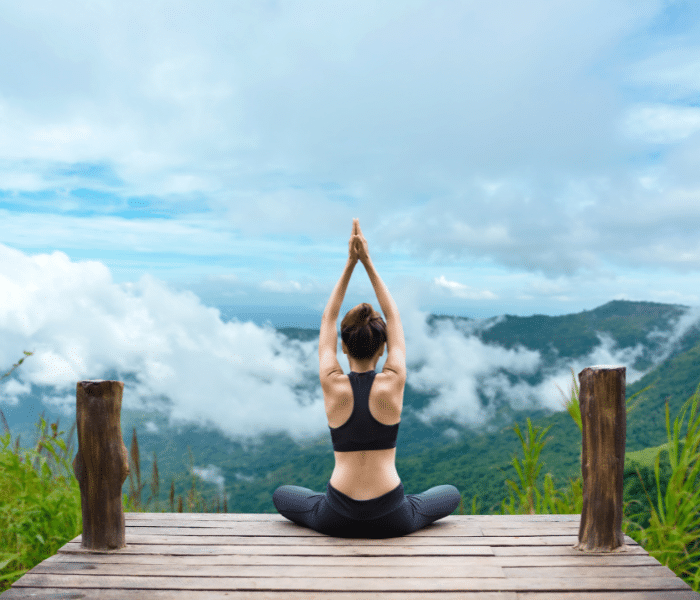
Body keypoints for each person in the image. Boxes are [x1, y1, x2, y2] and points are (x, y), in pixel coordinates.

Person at [272, 218, 460, 538]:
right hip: (393, 516)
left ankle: (327, 505)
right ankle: (409, 505)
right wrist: (367, 262)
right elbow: (394, 316)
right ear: (384, 346)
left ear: (343, 346)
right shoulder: (393, 381)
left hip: (336, 514)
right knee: (449, 493)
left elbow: (328, 317)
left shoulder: (332, 382)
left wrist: (350, 263)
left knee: (283, 494)